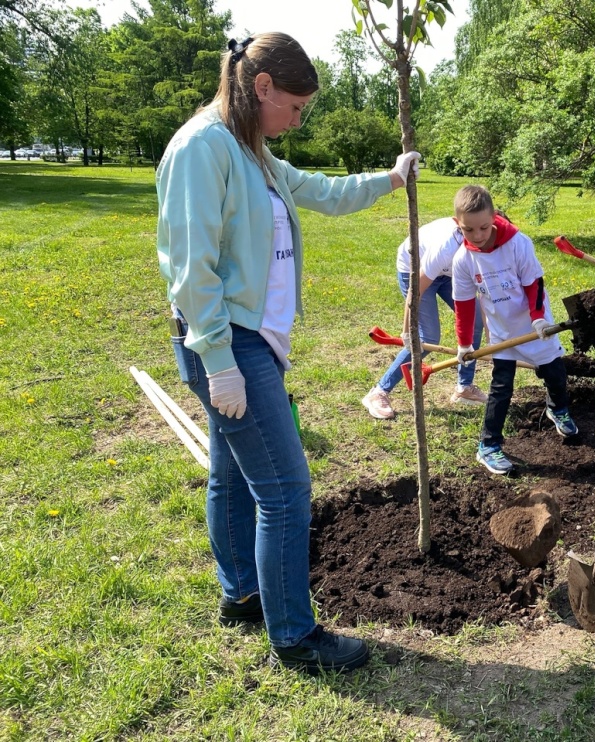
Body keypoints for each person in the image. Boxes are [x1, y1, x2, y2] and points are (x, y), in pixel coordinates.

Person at [155, 32, 420, 674]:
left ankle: (242, 593)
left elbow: (323, 193)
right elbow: (192, 271)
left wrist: (389, 179)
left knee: (231, 473)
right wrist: (219, 361)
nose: (298, 121)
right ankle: (296, 637)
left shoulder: (255, 151)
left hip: (250, 339)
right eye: (295, 108)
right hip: (228, 341)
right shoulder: (202, 147)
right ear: (262, 86)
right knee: (285, 489)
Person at [451, 185, 578, 475]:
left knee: (555, 374)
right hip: (503, 332)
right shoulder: (462, 261)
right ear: (458, 224)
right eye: (469, 230)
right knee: (501, 387)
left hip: (536, 325)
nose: (478, 236)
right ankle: (489, 446)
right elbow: (464, 305)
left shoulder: (518, 244)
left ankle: (557, 409)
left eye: (484, 227)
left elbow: (534, 284)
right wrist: (464, 343)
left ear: (493, 217)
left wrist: (537, 318)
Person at [361, 218, 487, 420]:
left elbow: (483, 296)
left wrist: (493, 339)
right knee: (427, 338)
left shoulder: (488, 245)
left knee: (476, 322)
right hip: (416, 268)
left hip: (448, 271)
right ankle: (378, 392)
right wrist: (406, 332)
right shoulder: (447, 247)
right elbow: (416, 290)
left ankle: (464, 388)